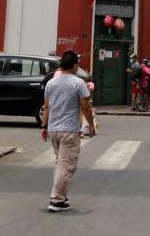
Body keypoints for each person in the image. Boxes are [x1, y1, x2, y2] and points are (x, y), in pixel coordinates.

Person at [40, 50, 95, 213]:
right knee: (66, 165)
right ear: (75, 65)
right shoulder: (77, 83)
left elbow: (47, 107)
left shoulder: (51, 83)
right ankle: (56, 200)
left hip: (53, 130)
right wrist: (91, 124)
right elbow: (85, 106)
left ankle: (61, 198)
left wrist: (44, 127)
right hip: (69, 130)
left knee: (61, 163)